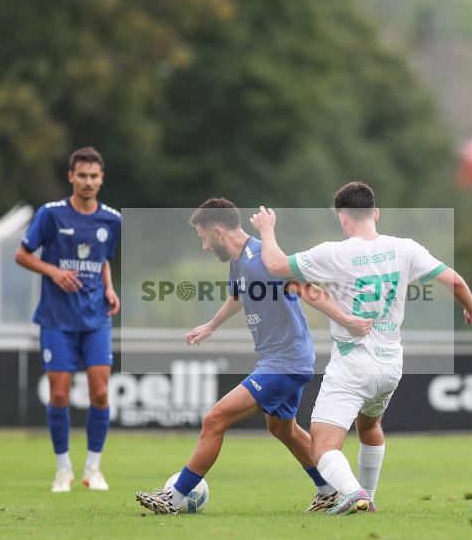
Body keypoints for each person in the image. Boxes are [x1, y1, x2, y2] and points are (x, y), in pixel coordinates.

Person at [250, 181, 472, 514]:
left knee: (322, 445)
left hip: (353, 363)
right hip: (390, 364)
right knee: (370, 426)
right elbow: (456, 282)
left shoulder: (335, 253)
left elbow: (275, 266)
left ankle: (353, 492)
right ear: (375, 213)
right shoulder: (405, 248)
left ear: (343, 219)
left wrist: (267, 230)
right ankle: (368, 496)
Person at [136, 198, 372, 514]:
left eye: (203, 237)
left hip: (285, 361)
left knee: (214, 418)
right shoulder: (238, 262)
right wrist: (211, 325)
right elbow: (238, 296)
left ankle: (173, 498)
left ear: (218, 231)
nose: (204, 246)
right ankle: (328, 490)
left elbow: (305, 288)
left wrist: (347, 320)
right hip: (280, 360)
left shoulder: (260, 257)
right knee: (282, 429)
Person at [14, 147, 121, 493]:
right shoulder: (51, 214)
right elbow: (22, 254)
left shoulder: (112, 220)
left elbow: (104, 260)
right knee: (59, 394)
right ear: (71, 177)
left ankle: (94, 468)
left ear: (101, 178)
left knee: (101, 392)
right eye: (82, 176)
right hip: (57, 318)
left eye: (94, 176)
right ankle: (63, 469)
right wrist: (53, 272)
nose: (88, 182)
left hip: (96, 319)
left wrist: (110, 289)